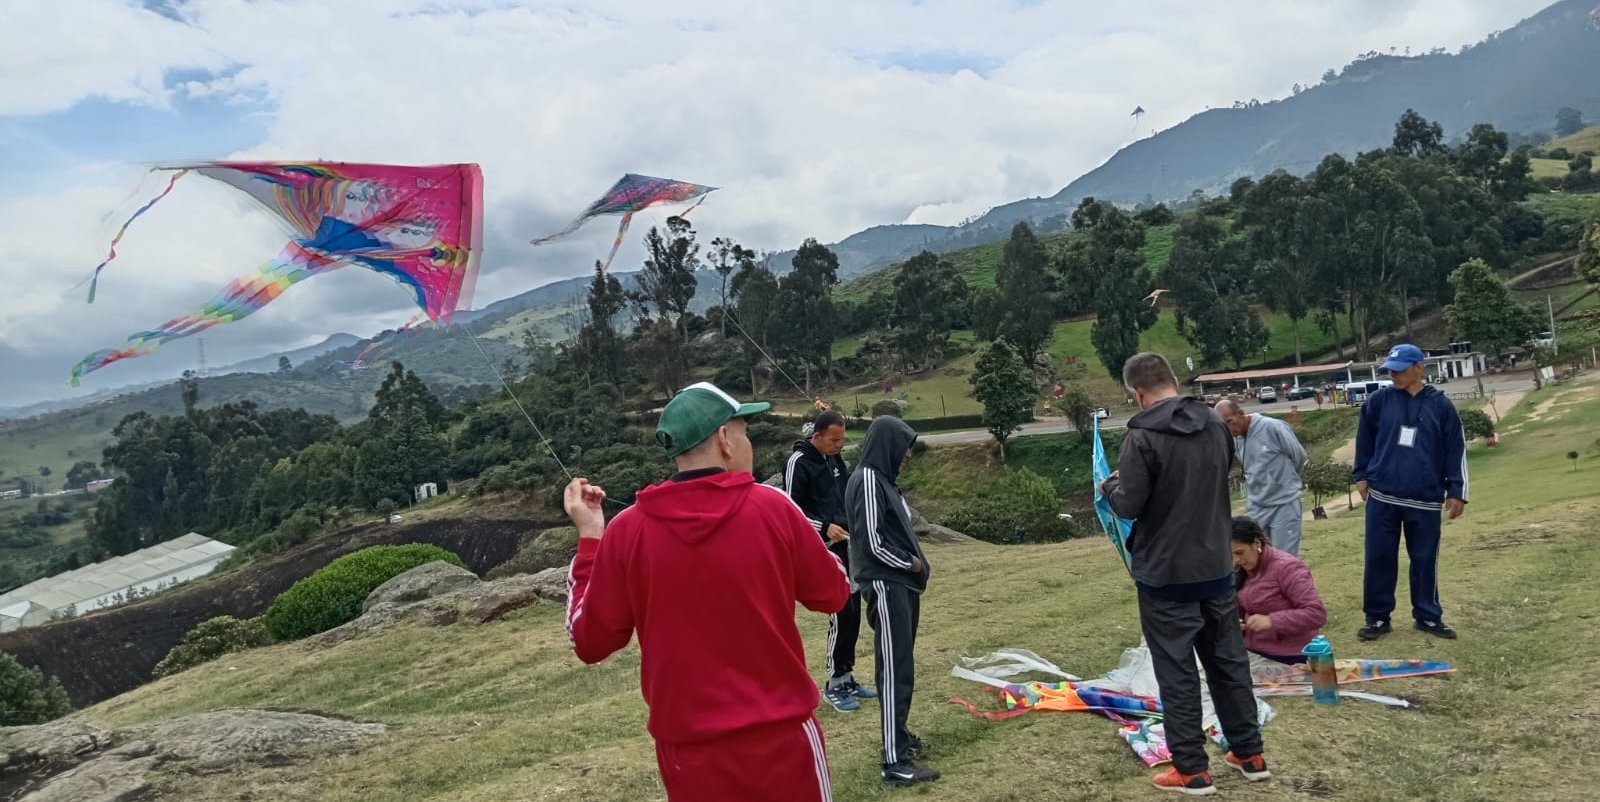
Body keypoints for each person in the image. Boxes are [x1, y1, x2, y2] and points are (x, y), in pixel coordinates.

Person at [563, 381, 851, 802]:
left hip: (688, 755)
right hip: (783, 739)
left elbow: (590, 641)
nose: (748, 444)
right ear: (723, 440)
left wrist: (591, 538)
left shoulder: (626, 531)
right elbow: (834, 593)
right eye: (744, 433)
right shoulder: (772, 508)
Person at [1101, 352, 1270, 795]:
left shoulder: (1141, 436)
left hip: (1166, 576)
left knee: (1176, 671)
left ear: (1137, 394)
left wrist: (1110, 485)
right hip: (1215, 565)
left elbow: (1128, 504)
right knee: (1228, 662)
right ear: (1173, 380)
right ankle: (1249, 752)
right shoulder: (1216, 424)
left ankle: (1192, 769)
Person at [1353, 344, 1468, 642]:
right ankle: (1377, 617)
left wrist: (1457, 490)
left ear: (1419, 367)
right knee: (1378, 558)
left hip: (1426, 498)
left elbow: (1456, 449)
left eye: (1400, 369)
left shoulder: (1441, 406)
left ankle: (1428, 616)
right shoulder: (1378, 401)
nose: (1394, 374)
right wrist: (1361, 476)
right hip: (1383, 497)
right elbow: (1364, 440)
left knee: (1424, 559)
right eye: (1390, 369)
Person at [847, 415, 939, 787]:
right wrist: (911, 563)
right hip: (887, 585)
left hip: (901, 586)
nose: (908, 455)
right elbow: (871, 543)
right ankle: (893, 762)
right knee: (893, 671)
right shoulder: (868, 479)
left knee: (903, 666)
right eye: (905, 447)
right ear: (888, 445)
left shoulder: (883, 482)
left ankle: (899, 737)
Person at [785, 409, 879, 712]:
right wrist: (824, 526)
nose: (839, 445)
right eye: (834, 440)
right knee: (840, 613)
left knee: (853, 612)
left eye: (842, 440)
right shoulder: (799, 463)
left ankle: (848, 676)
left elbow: (845, 494)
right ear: (818, 436)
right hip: (822, 548)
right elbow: (792, 510)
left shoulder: (835, 459)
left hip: (846, 545)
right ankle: (834, 683)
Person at [1216, 400, 1309, 556]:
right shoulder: (1234, 438)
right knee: (1254, 556)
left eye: (1229, 422)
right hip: (1257, 505)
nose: (1229, 429)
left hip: (1284, 503)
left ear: (1240, 413)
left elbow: (1299, 456)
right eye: (1223, 426)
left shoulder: (1273, 427)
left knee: (1283, 558)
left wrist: (1287, 481)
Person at [1231, 516, 1327, 664]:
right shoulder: (1239, 570)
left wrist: (1272, 621)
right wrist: (1236, 623)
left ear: (1257, 543)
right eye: (1229, 554)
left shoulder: (1286, 567)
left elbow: (1316, 614)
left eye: (1239, 552)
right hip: (1253, 650)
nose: (1235, 560)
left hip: (1290, 654)